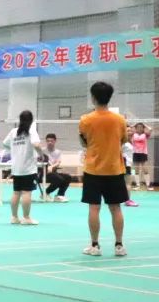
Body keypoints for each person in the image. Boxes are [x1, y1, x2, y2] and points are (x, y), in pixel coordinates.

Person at [79, 81, 129, 256]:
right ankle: (119, 246)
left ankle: (95, 246)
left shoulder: (85, 120)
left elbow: (83, 142)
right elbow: (123, 140)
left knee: (94, 208)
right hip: (114, 169)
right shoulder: (120, 119)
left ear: (93, 97)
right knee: (116, 208)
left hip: (93, 170)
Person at [3, 110, 43, 225]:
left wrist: (14, 150)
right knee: (26, 193)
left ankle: (14, 217)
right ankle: (26, 218)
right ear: (31, 120)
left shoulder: (13, 132)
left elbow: (5, 143)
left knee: (16, 193)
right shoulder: (31, 130)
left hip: (16, 168)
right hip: (28, 168)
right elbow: (36, 144)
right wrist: (41, 154)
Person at [41, 133, 71, 202]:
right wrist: (47, 167)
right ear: (46, 141)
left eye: (51, 141)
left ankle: (59, 195)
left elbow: (58, 162)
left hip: (53, 172)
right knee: (59, 179)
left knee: (68, 177)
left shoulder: (58, 152)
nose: (49, 142)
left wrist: (51, 167)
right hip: (43, 173)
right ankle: (45, 193)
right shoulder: (42, 151)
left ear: (55, 141)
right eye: (48, 141)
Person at [130, 122, 152, 190]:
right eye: (138, 127)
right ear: (136, 128)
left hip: (143, 153)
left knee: (145, 170)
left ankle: (148, 185)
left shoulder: (145, 135)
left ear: (143, 128)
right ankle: (137, 185)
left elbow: (150, 129)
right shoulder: (133, 134)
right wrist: (134, 125)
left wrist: (144, 125)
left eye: (141, 127)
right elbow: (128, 129)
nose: (139, 128)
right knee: (135, 170)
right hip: (135, 153)